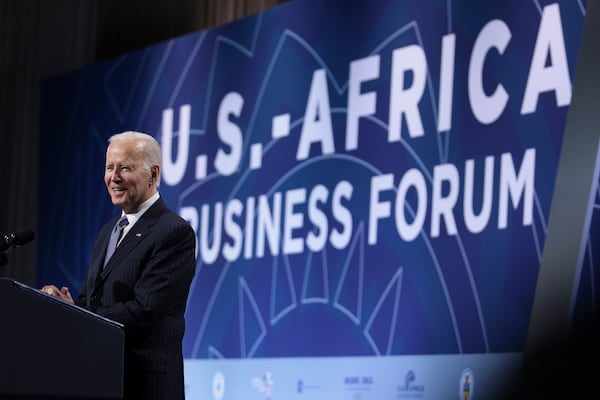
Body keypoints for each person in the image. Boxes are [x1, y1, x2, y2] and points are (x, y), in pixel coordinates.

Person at [41, 131, 197, 400]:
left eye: (125, 167)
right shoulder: (108, 231)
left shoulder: (173, 232)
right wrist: (68, 307)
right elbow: (92, 300)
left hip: (146, 386)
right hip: (102, 380)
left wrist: (80, 314)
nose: (114, 177)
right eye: (109, 167)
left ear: (153, 174)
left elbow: (143, 312)